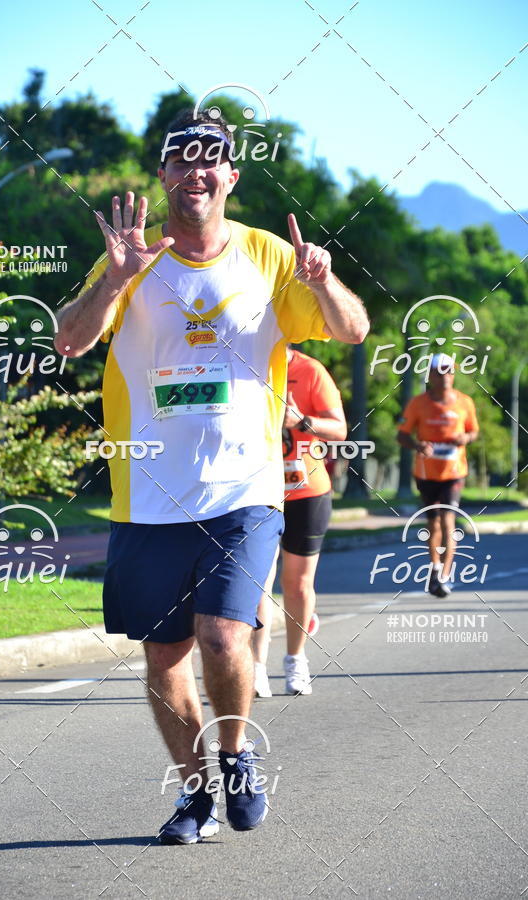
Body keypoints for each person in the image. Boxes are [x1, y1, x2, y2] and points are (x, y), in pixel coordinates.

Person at [54, 108, 368, 844]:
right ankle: (194, 797)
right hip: (149, 497)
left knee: (225, 638)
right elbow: (68, 340)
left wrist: (324, 280)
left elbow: (351, 329)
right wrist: (114, 281)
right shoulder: (135, 257)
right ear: (163, 174)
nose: (196, 169)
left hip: (245, 494)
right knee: (164, 660)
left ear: (230, 173)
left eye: (211, 158)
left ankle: (233, 758)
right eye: (181, 158)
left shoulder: (267, 255)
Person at [253, 348, 346, 698]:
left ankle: (295, 659)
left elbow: (339, 428)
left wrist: (301, 420)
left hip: (306, 490)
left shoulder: (310, 371)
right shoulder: (239, 362)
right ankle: (256, 668)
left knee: (297, 585)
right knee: (258, 582)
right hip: (256, 490)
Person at [397, 353, 479, 597]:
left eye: (450, 371)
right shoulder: (417, 403)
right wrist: (418, 446)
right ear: (430, 375)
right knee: (433, 525)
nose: (446, 375)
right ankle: (434, 570)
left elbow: (473, 431)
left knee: (448, 520)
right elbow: (401, 435)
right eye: (440, 371)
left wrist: (464, 438)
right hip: (425, 472)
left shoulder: (465, 402)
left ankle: (445, 575)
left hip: (454, 472)